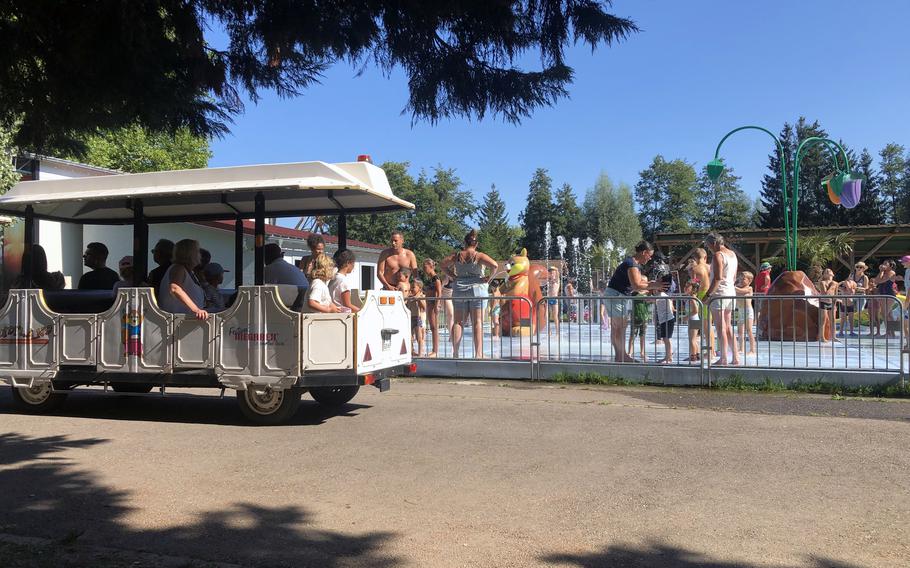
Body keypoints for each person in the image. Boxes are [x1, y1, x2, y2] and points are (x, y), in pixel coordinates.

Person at [604, 240, 665, 363]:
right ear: (644, 252)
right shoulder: (632, 264)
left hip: (613, 295)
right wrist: (654, 286)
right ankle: (622, 356)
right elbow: (636, 285)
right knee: (620, 327)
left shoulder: (631, 262)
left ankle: (619, 356)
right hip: (616, 296)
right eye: (649, 255)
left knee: (616, 328)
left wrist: (650, 284)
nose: (650, 259)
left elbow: (638, 283)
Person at [441, 229, 498, 359]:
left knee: (458, 322)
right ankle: (478, 354)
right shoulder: (479, 256)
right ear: (476, 244)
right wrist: (488, 278)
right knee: (477, 322)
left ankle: (455, 353)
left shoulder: (457, 255)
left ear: (464, 243)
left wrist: (453, 276)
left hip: (459, 288)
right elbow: (494, 265)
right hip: (477, 289)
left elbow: (442, 265)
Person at [705, 233, 739, 366]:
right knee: (728, 327)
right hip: (730, 292)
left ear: (713, 244)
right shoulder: (732, 254)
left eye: (709, 246)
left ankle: (723, 358)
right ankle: (735, 357)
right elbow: (734, 277)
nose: (709, 249)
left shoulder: (718, 255)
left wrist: (707, 295)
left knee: (721, 328)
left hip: (719, 294)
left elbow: (717, 278)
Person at [159, 239, 208, 319]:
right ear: (191, 254)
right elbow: (175, 288)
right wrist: (196, 310)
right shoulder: (178, 268)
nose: (199, 255)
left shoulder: (189, 272)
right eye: (197, 251)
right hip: (178, 322)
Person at [420, 258, 443, 357]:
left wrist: (437, 304)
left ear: (431, 266)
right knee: (432, 327)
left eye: (425, 267)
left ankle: (435, 350)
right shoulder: (430, 278)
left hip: (433, 303)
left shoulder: (436, 278)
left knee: (434, 328)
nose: (424, 269)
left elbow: (439, 292)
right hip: (429, 303)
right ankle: (434, 350)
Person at [871, 260, 897, 338]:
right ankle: (892, 333)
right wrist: (881, 271)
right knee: (889, 314)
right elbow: (876, 281)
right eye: (883, 263)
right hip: (882, 294)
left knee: (884, 313)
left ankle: (889, 332)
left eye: (886, 263)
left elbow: (881, 281)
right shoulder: (883, 273)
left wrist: (882, 272)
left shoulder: (892, 272)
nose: (883, 264)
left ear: (891, 266)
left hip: (889, 295)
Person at [735, 271, 757, 356]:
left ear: (749, 280)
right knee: (740, 331)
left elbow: (741, 291)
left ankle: (752, 350)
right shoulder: (737, 286)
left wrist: (731, 287)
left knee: (749, 330)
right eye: (740, 278)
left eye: (743, 278)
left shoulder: (749, 288)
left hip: (748, 310)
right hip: (740, 310)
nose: (741, 279)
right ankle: (741, 348)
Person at [627, 288, 652, 361]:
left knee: (642, 335)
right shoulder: (635, 293)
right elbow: (634, 293)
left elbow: (651, 301)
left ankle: (642, 352)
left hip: (644, 318)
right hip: (635, 317)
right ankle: (630, 352)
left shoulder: (647, 294)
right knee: (632, 335)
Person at [816, 268, 839, 343]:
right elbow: (825, 293)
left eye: (829, 271)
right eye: (826, 271)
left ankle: (834, 336)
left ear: (832, 274)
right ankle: (821, 337)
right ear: (824, 275)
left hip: (831, 302)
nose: (828, 271)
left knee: (833, 320)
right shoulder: (822, 282)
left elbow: (836, 295)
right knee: (823, 320)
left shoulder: (835, 283)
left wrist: (835, 304)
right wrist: (832, 286)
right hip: (824, 302)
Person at [655, 286, 676, 364]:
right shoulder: (662, 295)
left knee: (666, 339)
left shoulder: (661, 295)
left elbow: (649, 300)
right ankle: (668, 356)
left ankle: (669, 357)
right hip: (664, 319)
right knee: (665, 339)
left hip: (667, 319)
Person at [850, 262, 870, 336]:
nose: (858, 268)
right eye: (857, 267)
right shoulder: (852, 275)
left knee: (860, 311)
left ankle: (860, 326)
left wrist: (857, 288)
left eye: (861, 267)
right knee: (851, 311)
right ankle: (853, 327)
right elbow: (848, 283)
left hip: (861, 296)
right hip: (852, 296)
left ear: (863, 269)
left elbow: (866, 287)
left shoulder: (865, 277)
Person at [683, 280, 701, 363]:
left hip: (693, 320)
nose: (685, 288)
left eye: (687, 286)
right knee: (694, 339)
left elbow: (695, 310)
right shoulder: (691, 297)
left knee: (692, 340)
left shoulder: (692, 298)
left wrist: (687, 317)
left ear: (693, 289)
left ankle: (693, 356)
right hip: (694, 320)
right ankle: (696, 354)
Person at [408, 280, 427, 356]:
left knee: (419, 337)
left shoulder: (422, 296)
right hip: (410, 317)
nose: (411, 289)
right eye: (411, 287)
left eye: (413, 287)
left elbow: (424, 307)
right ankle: (411, 351)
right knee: (410, 337)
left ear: (419, 288)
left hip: (418, 318)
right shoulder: (410, 296)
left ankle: (420, 353)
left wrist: (418, 299)